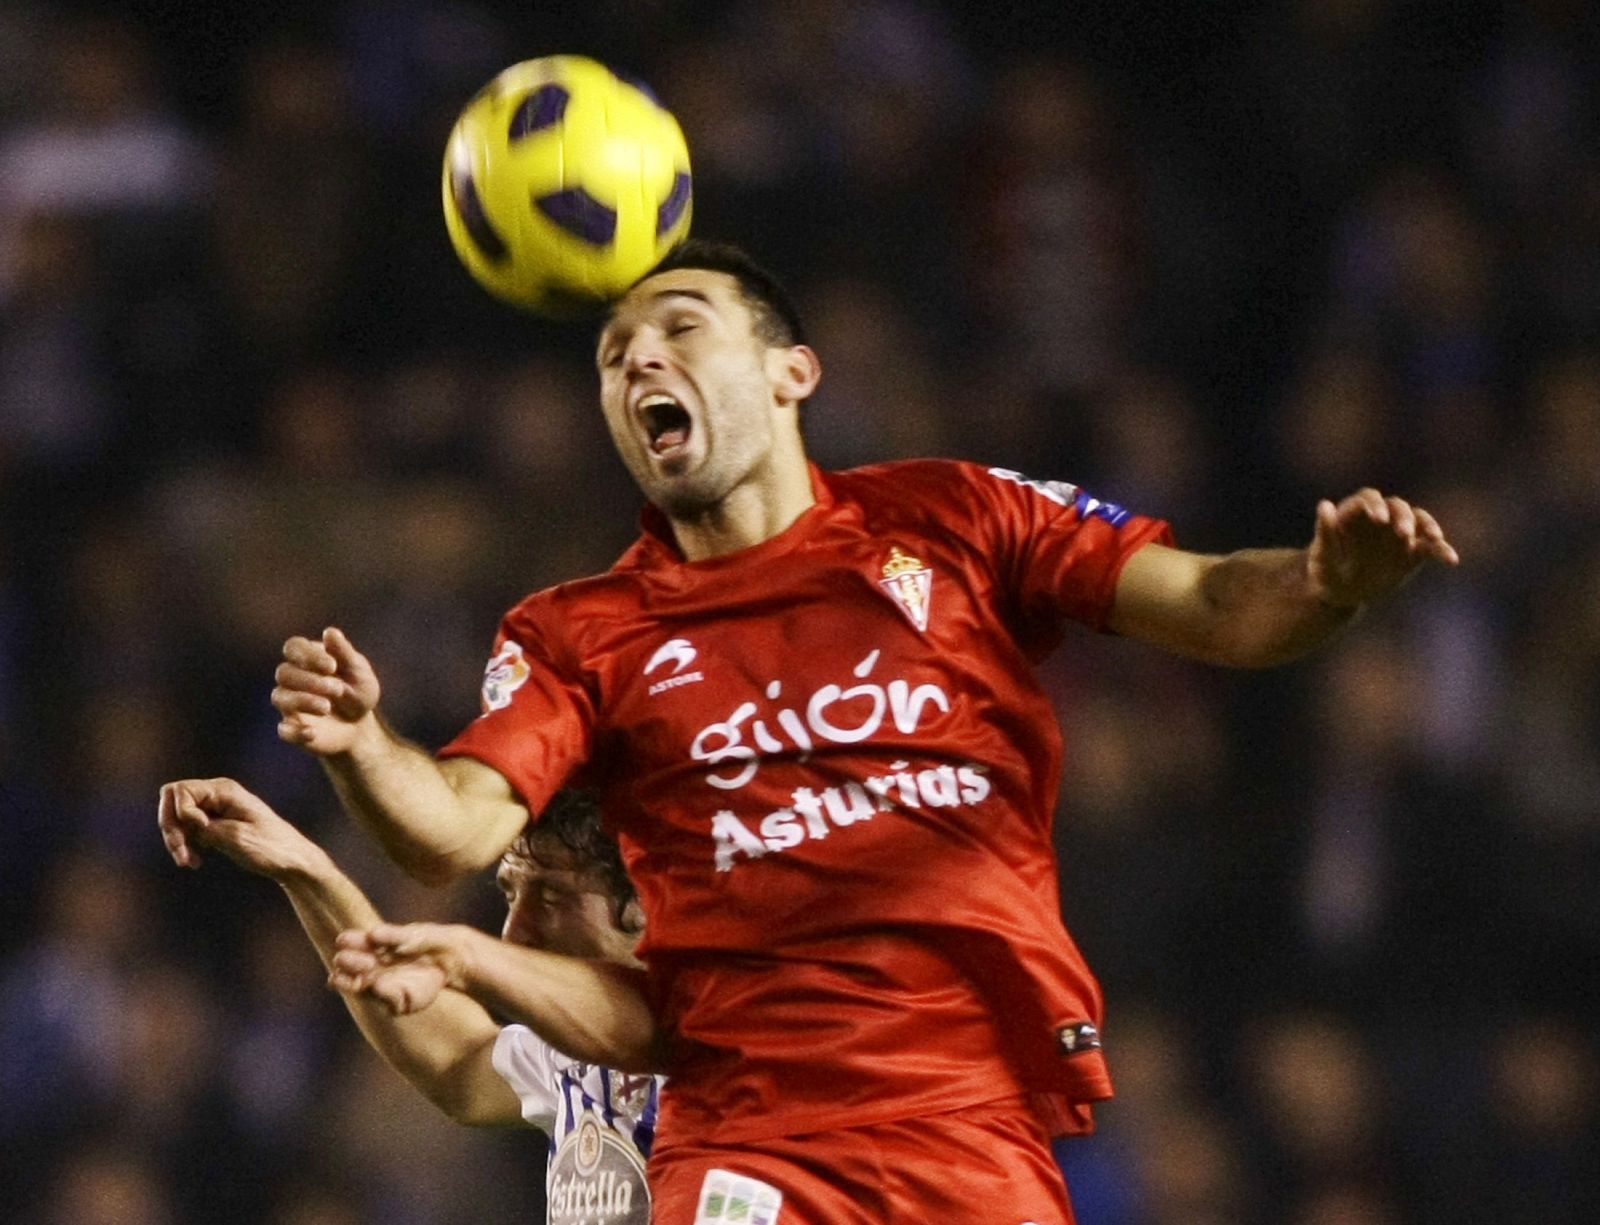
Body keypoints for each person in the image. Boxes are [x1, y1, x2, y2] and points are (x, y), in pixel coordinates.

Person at [162, 239, 1459, 1224]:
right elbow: (450, 829)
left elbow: (1222, 603)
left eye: (680, 326)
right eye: (613, 354)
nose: (638, 361)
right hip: (751, 1139)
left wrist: (1326, 581)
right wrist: (358, 755)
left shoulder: (956, 521)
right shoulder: (587, 634)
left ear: (793, 370)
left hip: (976, 1128)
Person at [157, 776, 663, 1224]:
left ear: (645, 899)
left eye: (551, 898)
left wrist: (465, 956)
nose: (515, 933)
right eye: (511, 895)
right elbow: (459, 1061)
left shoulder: (723, 1030)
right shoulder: (576, 1054)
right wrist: (307, 872)